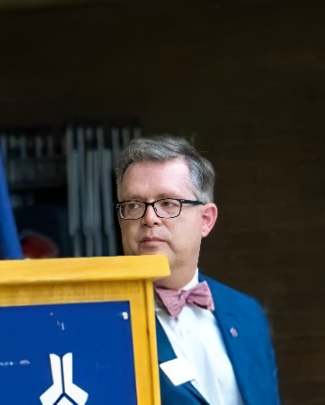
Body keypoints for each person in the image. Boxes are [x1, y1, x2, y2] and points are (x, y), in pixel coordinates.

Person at [114, 136, 280, 405]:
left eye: (168, 203)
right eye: (133, 205)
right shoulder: (101, 318)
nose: (149, 218)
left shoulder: (246, 312)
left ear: (206, 220)